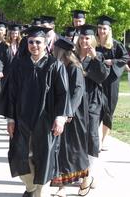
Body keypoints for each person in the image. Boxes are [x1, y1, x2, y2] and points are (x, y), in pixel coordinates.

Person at [0, 26, 71, 197]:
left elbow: (63, 93)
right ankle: (31, 188)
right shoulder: (20, 66)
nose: (34, 45)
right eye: (31, 42)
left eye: (38, 42)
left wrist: (60, 117)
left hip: (45, 121)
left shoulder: (55, 65)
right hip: (22, 119)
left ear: (46, 44)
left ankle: (39, 192)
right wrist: (10, 119)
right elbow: (11, 94)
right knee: (22, 155)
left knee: (44, 157)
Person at [51, 37, 89, 197]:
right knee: (62, 151)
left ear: (61, 52)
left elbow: (77, 92)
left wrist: (67, 113)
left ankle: (87, 179)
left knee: (76, 151)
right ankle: (62, 188)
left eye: (54, 49)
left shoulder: (74, 68)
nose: (52, 51)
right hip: (62, 113)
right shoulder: (60, 66)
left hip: (75, 116)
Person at [75, 24, 110, 195]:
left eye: (87, 38)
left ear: (93, 40)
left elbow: (103, 76)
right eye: (82, 37)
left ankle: (87, 177)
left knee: (91, 137)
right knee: (78, 138)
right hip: (76, 103)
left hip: (92, 103)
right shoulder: (73, 56)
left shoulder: (99, 55)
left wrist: (95, 58)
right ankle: (82, 173)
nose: (84, 40)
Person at [95, 15, 129, 151]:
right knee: (95, 109)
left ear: (109, 30)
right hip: (96, 80)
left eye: (104, 28)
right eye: (99, 28)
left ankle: (103, 141)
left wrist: (112, 62)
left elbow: (126, 57)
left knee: (109, 110)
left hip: (111, 82)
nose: (102, 31)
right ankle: (94, 139)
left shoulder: (116, 44)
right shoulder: (94, 44)